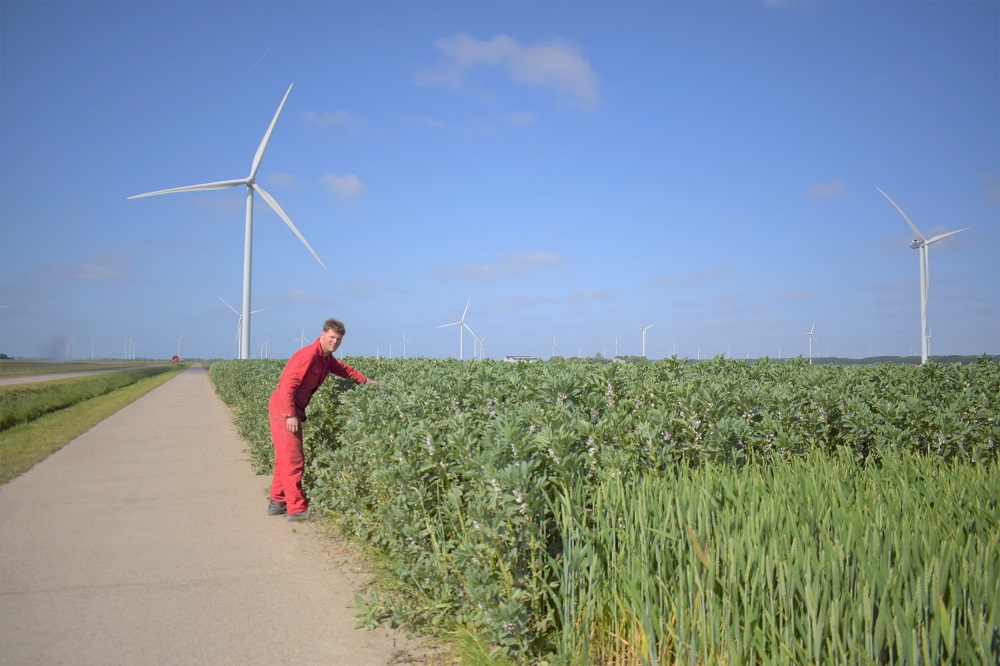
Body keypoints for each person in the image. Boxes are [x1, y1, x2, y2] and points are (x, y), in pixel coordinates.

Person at [267, 318, 381, 522]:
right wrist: (290, 414)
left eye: (338, 339)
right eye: (331, 337)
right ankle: (296, 509)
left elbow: (344, 370)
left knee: (284, 457)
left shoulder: (327, 359)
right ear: (322, 335)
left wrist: (366, 381)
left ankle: (277, 502)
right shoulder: (309, 355)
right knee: (293, 459)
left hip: (292, 408)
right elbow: (287, 386)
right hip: (283, 408)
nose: (335, 342)